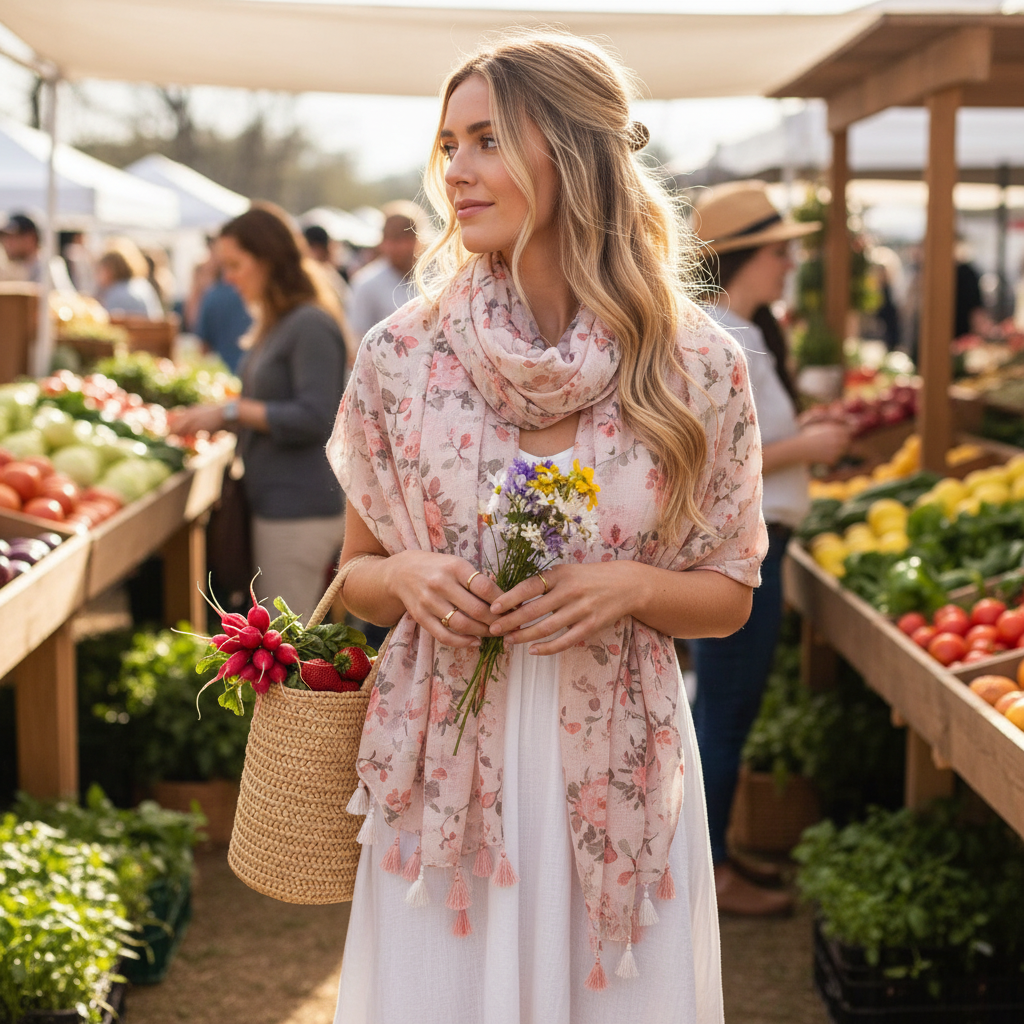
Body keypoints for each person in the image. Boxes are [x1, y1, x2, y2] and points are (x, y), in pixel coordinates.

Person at [327, 33, 767, 1024]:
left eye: (486, 139)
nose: (456, 170)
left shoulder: (697, 366)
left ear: (572, 152)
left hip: (619, 772)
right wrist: (407, 579)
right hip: (439, 790)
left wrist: (636, 589)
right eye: (448, 142)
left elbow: (731, 594)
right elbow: (351, 574)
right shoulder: (398, 356)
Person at [688, 180, 852, 917]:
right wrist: (809, 445)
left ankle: (710, 856)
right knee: (723, 712)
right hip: (739, 555)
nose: (791, 264)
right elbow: (712, 462)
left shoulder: (743, 333)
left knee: (724, 710)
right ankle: (706, 871)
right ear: (748, 256)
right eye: (782, 251)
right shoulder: (722, 339)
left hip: (755, 546)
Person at [168, 203, 353, 621]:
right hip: (278, 504)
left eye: (235, 265)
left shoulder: (308, 323)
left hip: (299, 511)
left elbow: (315, 417)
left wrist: (232, 411)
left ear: (268, 259)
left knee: (290, 645)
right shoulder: (281, 321)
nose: (228, 278)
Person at [347, 199, 428, 338]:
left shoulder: (438, 276)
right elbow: (358, 337)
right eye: (391, 237)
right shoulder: (366, 284)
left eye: (405, 236)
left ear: (418, 239)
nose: (397, 246)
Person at [94, 240, 163, 319]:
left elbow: (105, 321)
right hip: (152, 331)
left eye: (101, 270)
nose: (98, 275)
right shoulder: (145, 286)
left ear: (111, 271)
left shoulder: (115, 292)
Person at [0, 213, 42, 283]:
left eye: (11, 238)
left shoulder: (50, 268)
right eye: (3, 238)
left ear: (30, 238)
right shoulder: (12, 269)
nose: (6, 243)